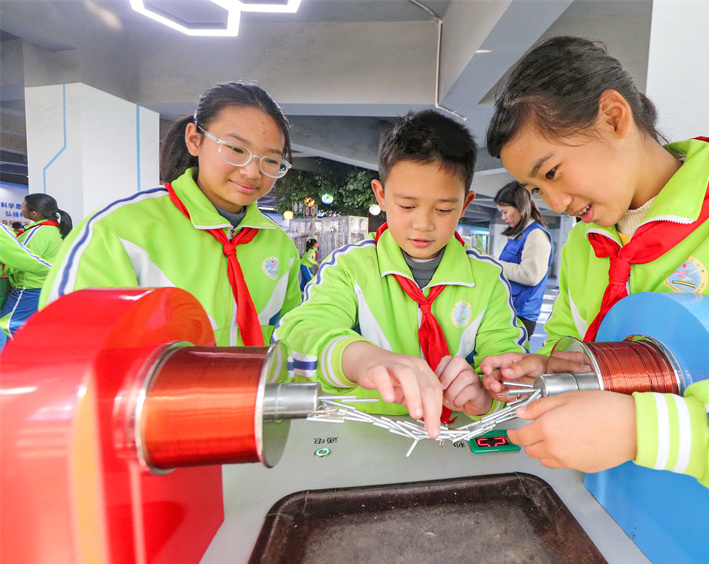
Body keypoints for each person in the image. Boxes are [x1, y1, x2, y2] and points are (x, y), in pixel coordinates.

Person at [479, 36, 709, 516]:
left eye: (552, 172)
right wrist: (554, 370)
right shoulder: (582, 245)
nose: (555, 205)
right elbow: (570, 343)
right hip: (604, 512)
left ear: (615, 117)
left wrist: (651, 430)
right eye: (536, 188)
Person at [276, 109, 528, 437]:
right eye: (407, 206)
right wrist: (360, 359)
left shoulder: (486, 280)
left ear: (465, 205)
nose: (423, 224)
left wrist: (486, 397)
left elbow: (509, 365)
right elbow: (298, 337)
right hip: (364, 436)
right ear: (381, 195)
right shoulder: (350, 269)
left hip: (455, 442)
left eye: (443, 209)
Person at [41, 81, 302, 346]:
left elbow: (295, 337)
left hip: (257, 386)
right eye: (236, 149)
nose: (252, 172)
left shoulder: (280, 246)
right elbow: (68, 351)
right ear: (194, 140)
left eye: (270, 160)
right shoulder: (117, 231)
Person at [0, 194, 72, 340]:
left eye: (22, 205)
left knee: (7, 326)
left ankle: (11, 360)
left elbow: (22, 259)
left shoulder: (39, 232)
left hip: (29, 287)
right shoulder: (56, 230)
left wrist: (4, 270)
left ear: (34, 213)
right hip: (44, 285)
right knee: (29, 325)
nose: (21, 207)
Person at [494, 181, 553, 338]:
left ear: (520, 207)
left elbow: (531, 276)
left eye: (505, 212)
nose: (503, 217)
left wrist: (495, 263)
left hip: (521, 315)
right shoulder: (519, 235)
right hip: (509, 310)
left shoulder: (536, 235)